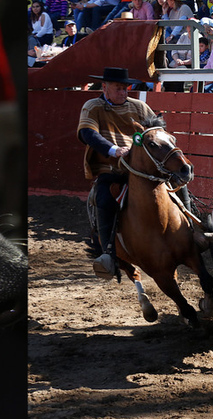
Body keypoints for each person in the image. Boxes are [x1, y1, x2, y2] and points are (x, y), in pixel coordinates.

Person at [77, 67, 192, 278]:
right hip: (111, 168)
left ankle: (192, 229)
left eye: (125, 88)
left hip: (144, 168)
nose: (123, 92)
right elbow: (87, 133)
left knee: (177, 182)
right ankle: (109, 254)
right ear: (105, 87)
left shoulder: (139, 107)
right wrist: (114, 150)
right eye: (118, 88)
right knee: (104, 197)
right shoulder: (92, 107)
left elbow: (157, 131)